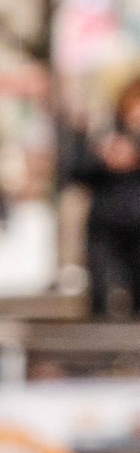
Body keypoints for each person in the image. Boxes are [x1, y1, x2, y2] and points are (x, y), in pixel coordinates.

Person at [74, 79, 140, 318]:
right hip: (105, 221)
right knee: (99, 293)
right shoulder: (106, 133)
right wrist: (103, 159)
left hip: (135, 222)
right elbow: (77, 171)